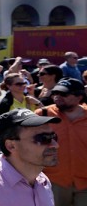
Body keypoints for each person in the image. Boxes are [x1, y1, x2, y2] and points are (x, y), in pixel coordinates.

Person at [37, 77, 87, 205]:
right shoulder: (41, 115)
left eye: (63, 94)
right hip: (53, 182)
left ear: (79, 97)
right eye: (55, 93)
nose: (57, 97)